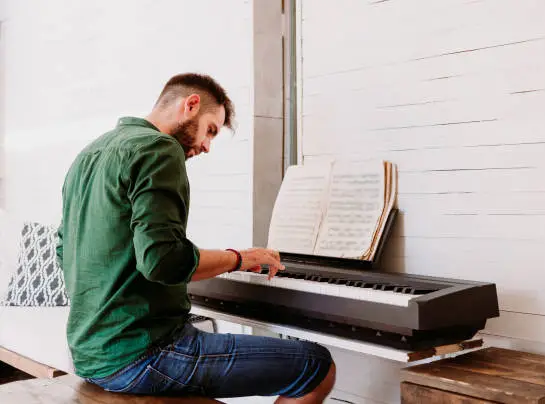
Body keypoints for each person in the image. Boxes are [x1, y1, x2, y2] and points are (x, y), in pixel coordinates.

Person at [57, 73, 336, 403]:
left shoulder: (90, 154)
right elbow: (163, 261)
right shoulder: (159, 149)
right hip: (140, 357)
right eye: (210, 131)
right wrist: (240, 258)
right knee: (316, 366)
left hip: (88, 355)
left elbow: (65, 250)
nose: (206, 146)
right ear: (190, 105)